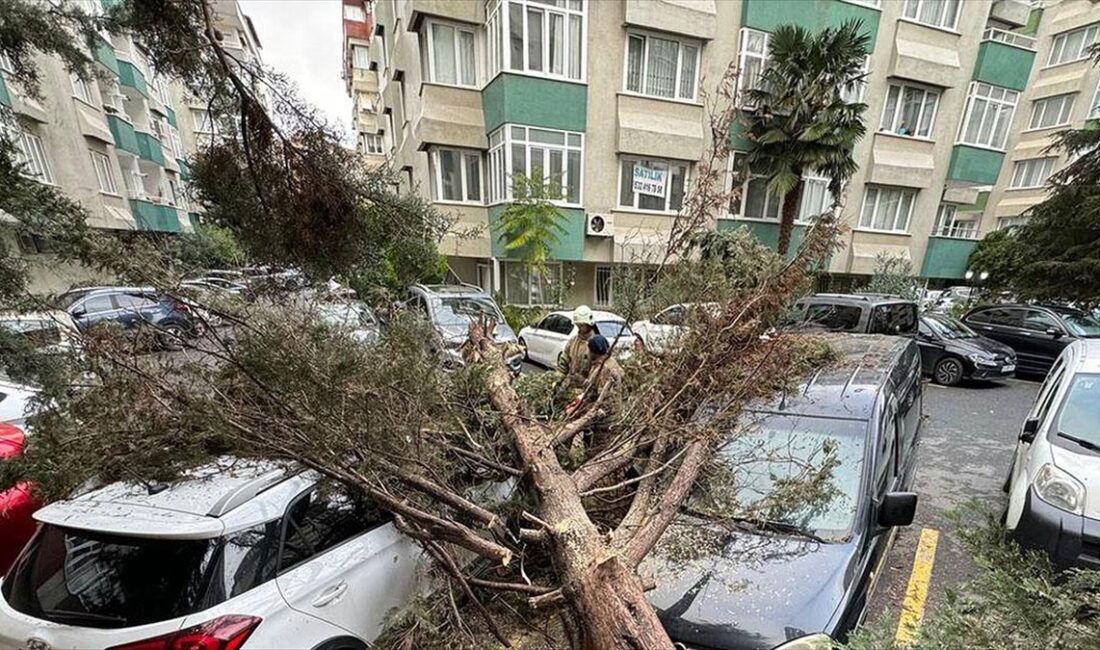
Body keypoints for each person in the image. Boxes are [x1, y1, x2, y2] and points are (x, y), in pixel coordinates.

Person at [565, 335, 624, 449]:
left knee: (599, 446)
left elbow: (603, 397)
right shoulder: (606, 362)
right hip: (607, 411)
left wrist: (584, 409)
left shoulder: (604, 369)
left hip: (606, 416)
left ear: (594, 352)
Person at [557, 305, 596, 391]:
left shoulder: (595, 344)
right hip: (570, 386)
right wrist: (558, 379)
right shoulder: (573, 341)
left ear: (589, 324)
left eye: (582, 325)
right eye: (578, 325)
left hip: (586, 390)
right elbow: (564, 361)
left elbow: (598, 370)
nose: (579, 327)